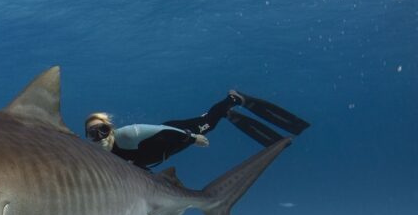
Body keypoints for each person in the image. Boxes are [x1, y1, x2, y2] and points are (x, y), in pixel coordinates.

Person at [85, 90, 309, 169]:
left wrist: (192, 138)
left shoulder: (127, 134)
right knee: (207, 120)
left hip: (175, 134)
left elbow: (164, 131)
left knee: (208, 124)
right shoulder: (104, 155)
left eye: (102, 130)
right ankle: (220, 113)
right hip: (165, 152)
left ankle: (232, 99)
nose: (99, 137)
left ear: (111, 129)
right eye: (92, 134)